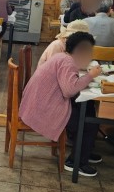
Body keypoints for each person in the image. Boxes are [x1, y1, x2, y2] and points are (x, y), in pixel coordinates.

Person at [20, 32, 104, 177]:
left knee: (88, 109)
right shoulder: (67, 62)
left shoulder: (62, 57)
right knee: (88, 122)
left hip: (38, 103)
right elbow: (69, 90)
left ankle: (84, 151)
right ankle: (75, 162)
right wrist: (90, 75)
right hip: (43, 108)